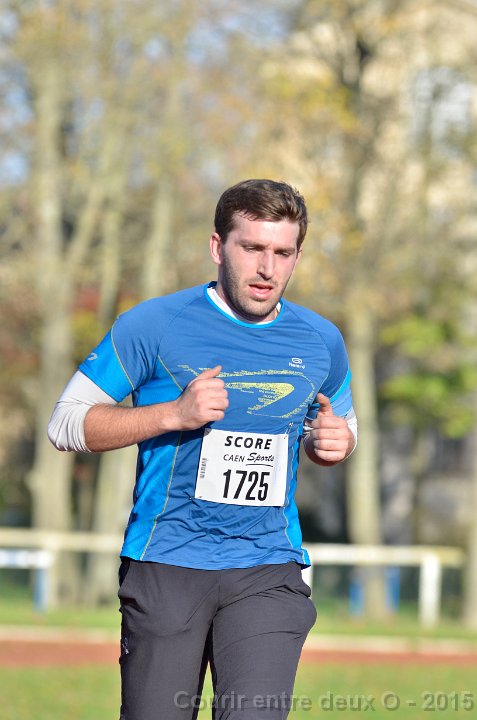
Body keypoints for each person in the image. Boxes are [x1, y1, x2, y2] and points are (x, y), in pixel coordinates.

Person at [48, 179, 357, 720]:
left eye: (283, 253)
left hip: (267, 564)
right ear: (218, 247)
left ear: (297, 256)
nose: (267, 268)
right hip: (167, 561)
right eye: (252, 248)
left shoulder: (320, 339)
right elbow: (65, 423)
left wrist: (336, 443)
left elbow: (341, 425)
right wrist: (173, 414)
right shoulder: (153, 325)